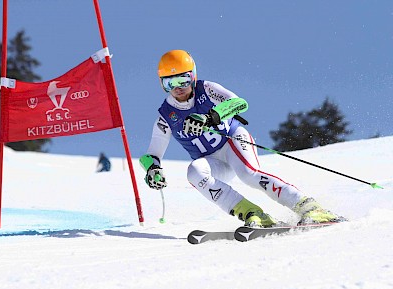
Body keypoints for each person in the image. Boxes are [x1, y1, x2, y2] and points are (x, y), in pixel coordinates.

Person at [139, 49, 346, 227]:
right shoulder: (166, 115)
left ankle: (308, 206)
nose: (178, 88)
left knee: (248, 174)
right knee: (194, 172)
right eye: (170, 83)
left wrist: (210, 117)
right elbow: (151, 155)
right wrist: (152, 169)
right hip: (216, 162)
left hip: (232, 141)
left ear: (192, 76)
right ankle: (252, 213)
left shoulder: (207, 89)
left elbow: (239, 103)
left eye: (183, 80)